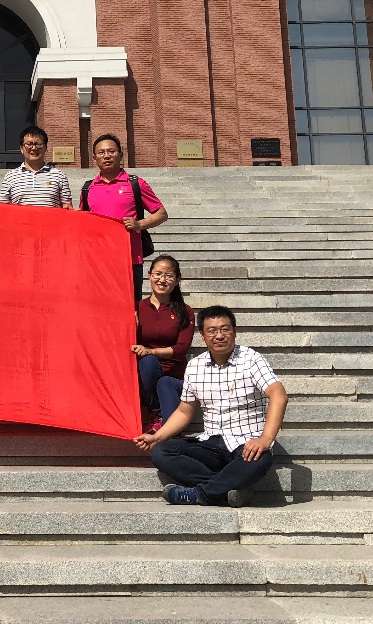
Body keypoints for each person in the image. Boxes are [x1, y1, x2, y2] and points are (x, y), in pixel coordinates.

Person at [135, 305, 288, 508]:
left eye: (225, 329)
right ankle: (228, 489)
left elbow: (278, 395)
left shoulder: (251, 359)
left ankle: (201, 494)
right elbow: (184, 411)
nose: (219, 336)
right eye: (212, 331)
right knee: (162, 452)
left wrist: (265, 439)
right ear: (203, 336)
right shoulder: (195, 366)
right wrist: (157, 437)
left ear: (234, 331)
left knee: (262, 458)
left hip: (247, 444)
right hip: (211, 444)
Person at [80, 133, 167, 302]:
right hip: (98, 261)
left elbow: (162, 214)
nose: (106, 156)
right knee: (100, 306)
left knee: (131, 307)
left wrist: (139, 224)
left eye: (111, 151)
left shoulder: (136, 184)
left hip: (130, 259)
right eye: (101, 152)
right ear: (94, 158)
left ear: (121, 155)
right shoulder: (88, 188)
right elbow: (84, 221)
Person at [132, 255, 195, 431]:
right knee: (147, 362)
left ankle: (161, 419)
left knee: (171, 429)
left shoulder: (185, 311)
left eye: (168, 275)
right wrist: (132, 329)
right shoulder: (136, 308)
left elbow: (182, 348)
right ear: (149, 276)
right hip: (145, 372)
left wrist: (151, 351)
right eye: (158, 274)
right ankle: (155, 411)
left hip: (172, 377)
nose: (162, 279)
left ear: (177, 280)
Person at [0, 124, 73, 208]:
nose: (34, 148)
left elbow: (67, 207)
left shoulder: (59, 176)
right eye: (29, 144)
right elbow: (2, 208)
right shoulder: (10, 177)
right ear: (22, 149)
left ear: (45, 148)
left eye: (39, 144)